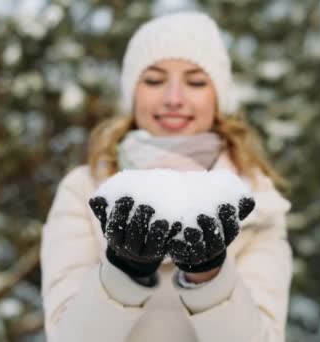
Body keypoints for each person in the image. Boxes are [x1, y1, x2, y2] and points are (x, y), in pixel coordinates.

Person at [40, 11, 292, 342]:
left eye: (196, 81)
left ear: (218, 97)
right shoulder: (83, 190)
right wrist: (122, 273)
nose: (174, 99)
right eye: (155, 80)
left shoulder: (258, 202)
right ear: (132, 93)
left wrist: (211, 277)